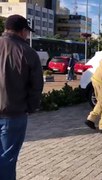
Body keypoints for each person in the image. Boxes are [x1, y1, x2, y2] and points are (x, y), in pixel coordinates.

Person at [0, 14, 44, 180]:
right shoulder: (28, 52)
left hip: (12, 113)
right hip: (14, 114)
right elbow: (36, 86)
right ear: (22, 31)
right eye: (27, 32)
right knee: (7, 159)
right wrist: (31, 107)